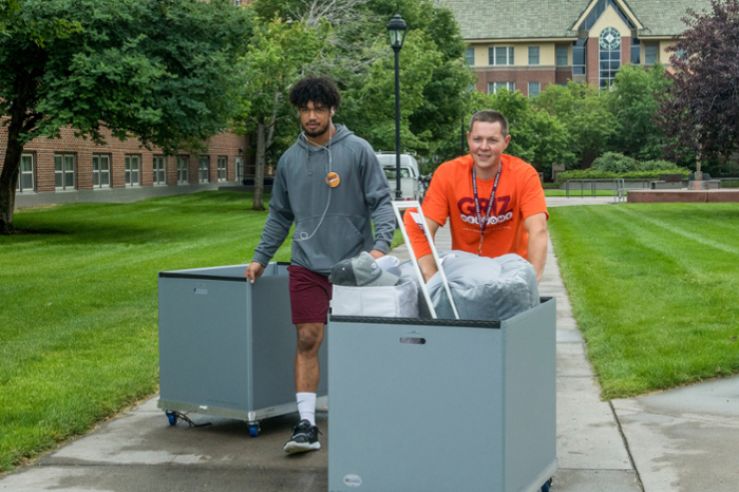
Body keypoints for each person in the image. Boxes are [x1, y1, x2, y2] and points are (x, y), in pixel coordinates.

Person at [245, 76, 395, 454]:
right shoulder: (289, 159)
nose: (311, 116)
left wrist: (379, 247)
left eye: (319, 109)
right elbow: (279, 214)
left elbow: (381, 201)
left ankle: (369, 415)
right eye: (305, 109)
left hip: (354, 266)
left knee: (358, 343)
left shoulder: (358, 150)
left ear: (332, 110)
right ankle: (307, 425)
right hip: (307, 265)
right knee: (308, 339)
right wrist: (261, 258)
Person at [404, 109, 548, 283]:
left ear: (506, 142)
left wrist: (532, 281)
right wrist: (432, 277)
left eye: (492, 140)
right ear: (468, 138)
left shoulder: (524, 174)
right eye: (477, 139)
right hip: (466, 276)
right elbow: (420, 227)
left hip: (510, 276)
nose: (484, 147)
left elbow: (538, 229)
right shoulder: (448, 173)